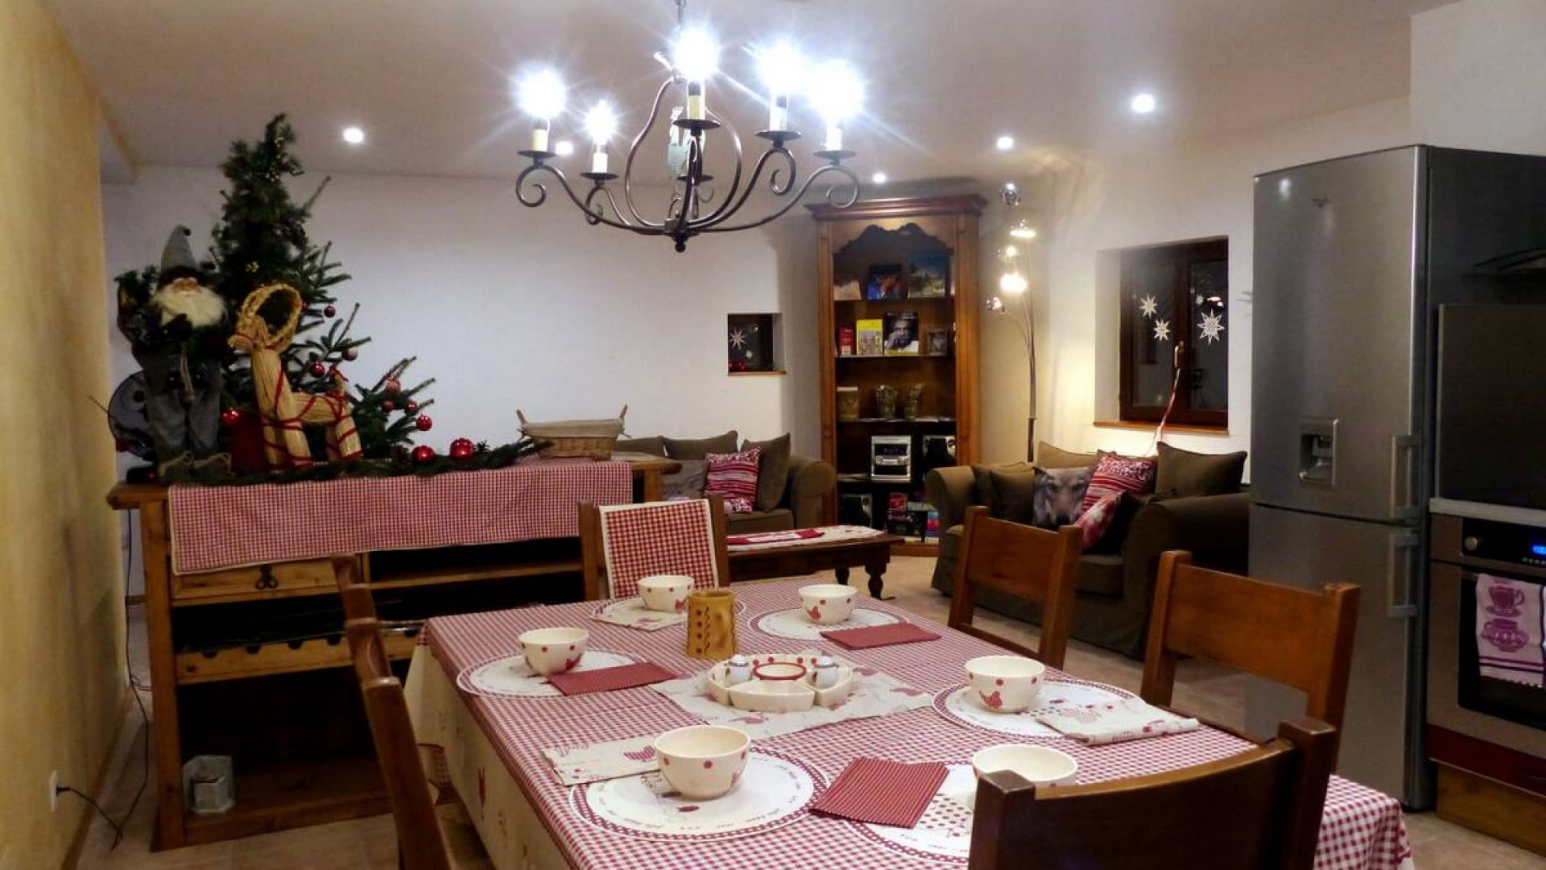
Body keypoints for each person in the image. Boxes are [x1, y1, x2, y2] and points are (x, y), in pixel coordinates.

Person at [116, 226, 230, 477]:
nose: (188, 288)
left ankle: (205, 460)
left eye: (192, 282)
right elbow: (138, 334)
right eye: (181, 283)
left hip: (205, 378)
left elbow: (226, 336)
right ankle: (173, 463)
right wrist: (167, 333)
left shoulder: (213, 312)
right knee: (167, 420)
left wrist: (220, 345)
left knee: (206, 418)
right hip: (164, 379)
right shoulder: (154, 312)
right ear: (167, 286)